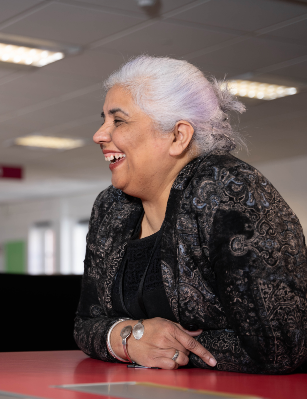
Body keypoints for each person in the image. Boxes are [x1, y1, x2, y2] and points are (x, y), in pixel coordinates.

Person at [74, 56, 307, 374]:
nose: (99, 135)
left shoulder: (229, 190)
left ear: (177, 136)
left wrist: (164, 345)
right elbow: (86, 323)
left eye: (118, 121)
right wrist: (130, 339)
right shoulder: (110, 207)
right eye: (103, 120)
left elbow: (285, 347)